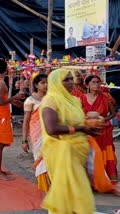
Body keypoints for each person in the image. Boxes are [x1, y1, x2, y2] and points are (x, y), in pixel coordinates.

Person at [40, 69, 100, 213]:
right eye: (66, 80)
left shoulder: (74, 100)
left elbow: (77, 120)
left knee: (74, 193)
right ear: (56, 83)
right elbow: (52, 128)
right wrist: (81, 129)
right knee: (71, 193)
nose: (71, 82)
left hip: (78, 152)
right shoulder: (50, 100)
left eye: (71, 78)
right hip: (62, 152)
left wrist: (91, 123)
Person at [0, 59, 24, 181]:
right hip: (1, 115)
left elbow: (1, 99)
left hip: (0, 115)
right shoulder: (0, 84)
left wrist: (14, 101)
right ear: (6, 69)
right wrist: (14, 97)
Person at [81, 75, 118, 182]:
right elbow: (79, 113)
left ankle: (106, 178)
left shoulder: (107, 97)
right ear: (87, 85)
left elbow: (113, 113)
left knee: (105, 152)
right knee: (91, 153)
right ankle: (93, 179)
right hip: (89, 130)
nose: (96, 84)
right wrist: (87, 121)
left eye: (98, 82)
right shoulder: (82, 98)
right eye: (93, 82)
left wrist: (102, 119)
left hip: (104, 130)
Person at [22, 74, 49, 192]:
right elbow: (26, 121)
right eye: (43, 83)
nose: (46, 85)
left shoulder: (52, 98)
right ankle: (44, 186)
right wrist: (24, 140)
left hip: (51, 133)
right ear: (36, 85)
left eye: (47, 82)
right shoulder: (30, 100)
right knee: (40, 158)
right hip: (36, 134)